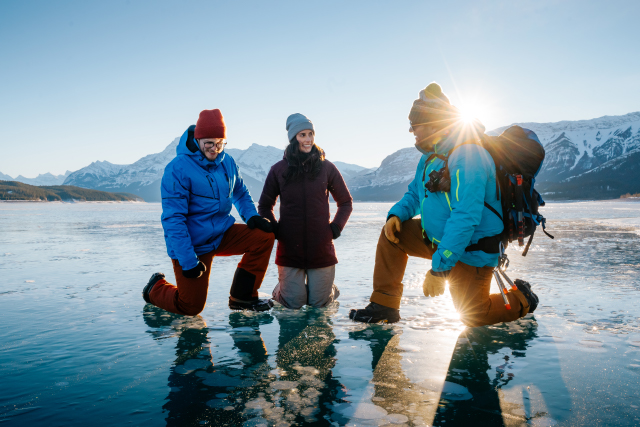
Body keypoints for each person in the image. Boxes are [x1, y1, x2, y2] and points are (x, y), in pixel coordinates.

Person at [349, 83, 539, 326]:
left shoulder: (469, 155)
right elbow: (415, 195)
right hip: (438, 240)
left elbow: (466, 217)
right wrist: (397, 214)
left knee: (473, 315)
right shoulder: (430, 157)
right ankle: (384, 305)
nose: (411, 131)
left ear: (433, 122)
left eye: (415, 124)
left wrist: (440, 270)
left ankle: (522, 297)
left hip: (473, 249)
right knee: (392, 236)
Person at [143, 108, 276, 315]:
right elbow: (173, 220)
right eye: (209, 143)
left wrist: (251, 215)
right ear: (198, 140)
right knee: (191, 306)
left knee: (263, 236)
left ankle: (242, 297)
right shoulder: (177, 168)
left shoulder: (228, 162)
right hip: (193, 243)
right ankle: (155, 288)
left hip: (221, 233)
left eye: (220, 143)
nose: (215, 149)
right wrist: (188, 261)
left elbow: (239, 190)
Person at [258, 113, 353, 309]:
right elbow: (264, 206)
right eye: (303, 135)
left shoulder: (327, 168)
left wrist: (335, 227)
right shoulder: (279, 169)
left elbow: (345, 202)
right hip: (290, 248)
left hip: (321, 248)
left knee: (319, 304)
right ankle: (281, 289)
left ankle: (328, 289)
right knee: (293, 304)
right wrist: (275, 229)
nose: (308, 139)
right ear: (294, 138)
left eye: (311, 134)